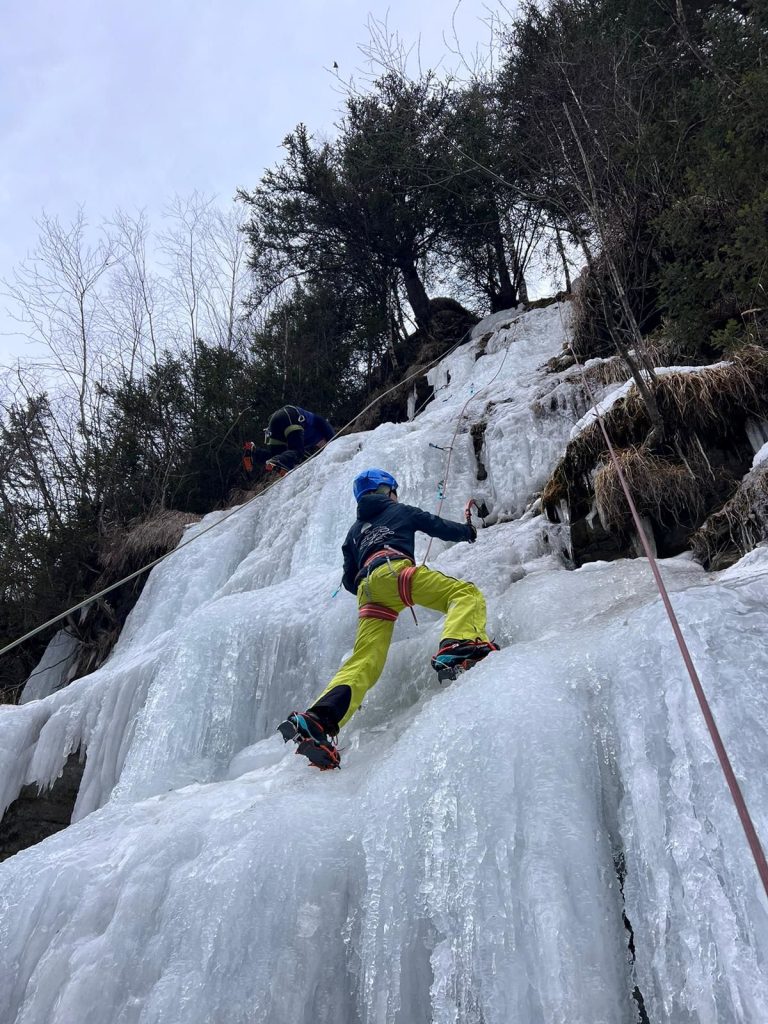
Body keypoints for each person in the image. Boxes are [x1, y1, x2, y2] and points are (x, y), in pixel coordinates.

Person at [278, 468, 498, 769]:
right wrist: (467, 532)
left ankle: (318, 719)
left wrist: (370, 584)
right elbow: (436, 526)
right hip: (396, 571)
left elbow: (348, 579)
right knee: (465, 595)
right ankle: (459, 644)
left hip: (369, 591)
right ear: (387, 490)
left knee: (365, 659)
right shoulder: (399, 510)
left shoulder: (354, 531)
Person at [242, 405, 335, 476]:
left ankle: (253, 451)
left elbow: (290, 455)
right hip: (290, 416)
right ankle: (277, 461)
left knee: (277, 455)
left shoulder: (309, 443)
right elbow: (334, 440)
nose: (323, 448)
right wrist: (332, 441)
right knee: (297, 452)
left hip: (274, 423)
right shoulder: (322, 428)